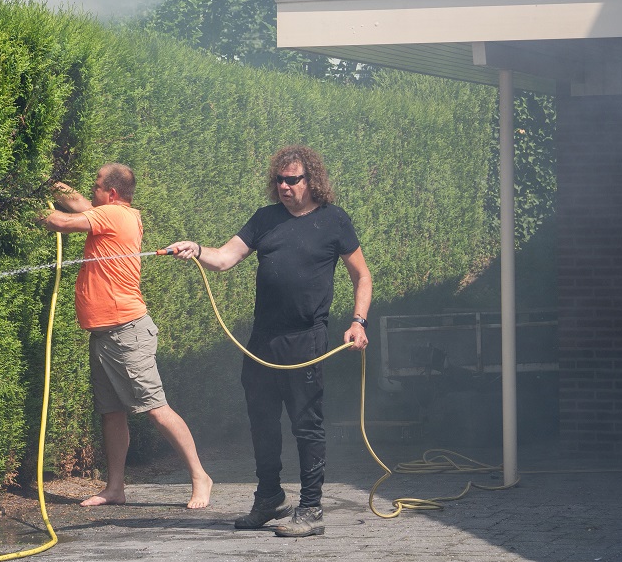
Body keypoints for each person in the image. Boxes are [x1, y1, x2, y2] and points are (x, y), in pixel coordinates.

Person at [166, 146, 371, 538]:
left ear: (311, 181)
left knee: (306, 426)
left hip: (306, 340)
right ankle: (270, 498)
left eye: (292, 180)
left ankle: (311, 508)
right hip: (262, 341)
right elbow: (225, 258)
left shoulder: (334, 221)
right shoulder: (266, 219)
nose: (283, 186)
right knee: (262, 422)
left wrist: (358, 322)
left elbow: (362, 276)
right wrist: (197, 250)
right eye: (278, 180)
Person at [36, 164, 213, 509]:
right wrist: (47, 182)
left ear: (112, 194)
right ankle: (115, 487)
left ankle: (199, 476)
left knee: (156, 409)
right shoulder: (114, 214)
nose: (91, 193)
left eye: (97, 186)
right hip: (105, 335)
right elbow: (79, 205)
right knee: (111, 412)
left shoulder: (115, 216)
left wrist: (25, 202)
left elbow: (60, 221)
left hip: (127, 332)